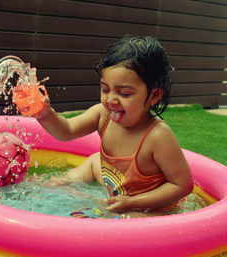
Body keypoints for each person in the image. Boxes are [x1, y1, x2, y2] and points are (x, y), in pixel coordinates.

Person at [30, 35, 194, 213]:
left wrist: (134, 202)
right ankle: (66, 179)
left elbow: (182, 185)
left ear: (154, 95)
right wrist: (46, 114)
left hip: (148, 206)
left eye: (124, 93)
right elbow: (66, 131)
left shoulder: (157, 136)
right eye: (105, 89)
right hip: (117, 185)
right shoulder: (102, 114)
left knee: (132, 221)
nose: (110, 99)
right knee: (93, 162)